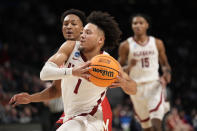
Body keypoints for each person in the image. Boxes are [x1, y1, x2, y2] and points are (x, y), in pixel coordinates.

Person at [8, 9, 113, 131]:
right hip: (73, 113)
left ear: (82, 29)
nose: (68, 27)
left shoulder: (100, 56)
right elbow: (56, 90)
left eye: (73, 24)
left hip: (96, 110)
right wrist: (31, 98)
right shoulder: (67, 51)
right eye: (65, 24)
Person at [39, 11, 136, 131]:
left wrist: (124, 84)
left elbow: (134, 88)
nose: (82, 35)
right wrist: (72, 71)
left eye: (88, 33)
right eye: (83, 32)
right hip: (71, 116)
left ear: (100, 40)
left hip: (91, 118)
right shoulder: (70, 47)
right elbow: (44, 73)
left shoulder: (110, 65)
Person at [118, 13, 172, 131]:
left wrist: (167, 74)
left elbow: (164, 64)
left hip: (154, 85)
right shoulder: (125, 46)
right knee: (146, 127)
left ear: (147, 25)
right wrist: (129, 66)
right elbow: (117, 70)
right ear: (132, 26)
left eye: (141, 23)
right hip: (136, 89)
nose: (137, 25)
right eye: (135, 23)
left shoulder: (157, 43)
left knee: (156, 123)